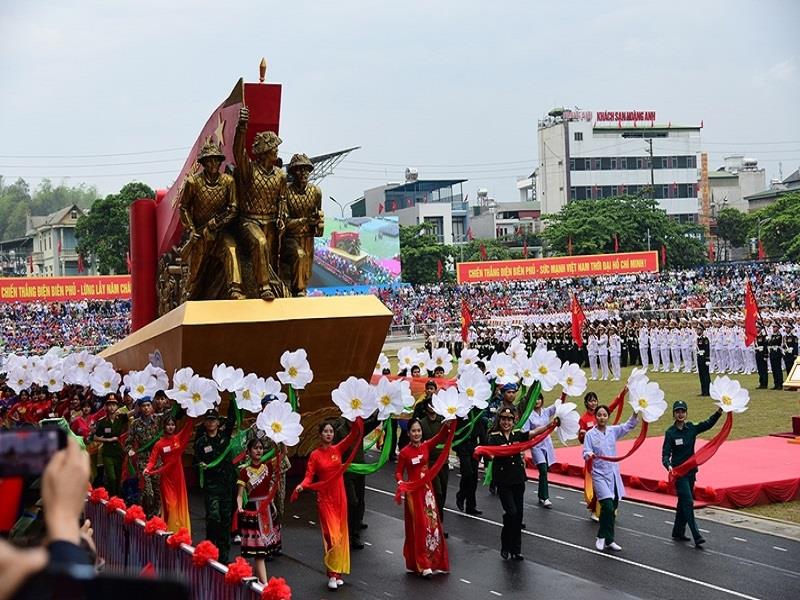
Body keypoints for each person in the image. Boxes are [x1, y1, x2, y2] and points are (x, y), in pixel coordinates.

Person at [295, 420, 361, 591]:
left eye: (331, 431)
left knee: (340, 536)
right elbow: (309, 476)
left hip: (340, 498)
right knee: (331, 535)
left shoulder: (337, 449)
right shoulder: (315, 455)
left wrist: (356, 417)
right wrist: (303, 484)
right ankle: (332, 573)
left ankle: (337, 573)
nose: (329, 434)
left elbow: (353, 435)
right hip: (325, 499)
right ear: (320, 434)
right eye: (325, 431)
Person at [487, 406, 553, 560]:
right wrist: (488, 455)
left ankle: (516, 549)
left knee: (519, 515)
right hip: (503, 481)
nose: (506, 422)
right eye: (503, 419)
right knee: (511, 512)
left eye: (509, 419)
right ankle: (505, 544)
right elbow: (489, 452)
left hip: (518, 479)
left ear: (514, 420)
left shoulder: (517, 434)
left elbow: (534, 433)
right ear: (499, 420)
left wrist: (550, 426)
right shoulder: (494, 437)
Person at [662, 401, 722, 548]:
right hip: (679, 474)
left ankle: (678, 531)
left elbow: (708, 424)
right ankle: (697, 535)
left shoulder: (691, 428)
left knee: (683, 502)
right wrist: (668, 466)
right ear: (674, 414)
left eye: (683, 411)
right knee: (688, 502)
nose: (680, 414)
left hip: (690, 472)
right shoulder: (670, 433)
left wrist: (719, 412)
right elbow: (665, 454)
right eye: (677, 411)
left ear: (686, 413)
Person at [395, 417, 450, 576]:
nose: (417, 433)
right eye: (413, 431)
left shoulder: (426, 446)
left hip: (427, 492)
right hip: (414, 494)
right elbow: (398, 471)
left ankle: (435, 561)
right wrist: (400, 482)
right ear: (408, 433)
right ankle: (422, 562)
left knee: (432, 526)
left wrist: (448, 424)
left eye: (419, 430)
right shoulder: (405, 452)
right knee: (419, 527)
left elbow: (440, 436)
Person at [582, 405, 640, 551]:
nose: (602, 417)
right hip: (599, 474)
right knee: (606, 506)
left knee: (613, 507)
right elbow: (586, 451)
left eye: (605, 415)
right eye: (599, 415)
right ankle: (601, 536)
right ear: (595, 417)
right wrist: (589, 454)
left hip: (613, 474)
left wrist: (635, 412)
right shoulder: (590, 434)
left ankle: (610, 539)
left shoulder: (613, 431)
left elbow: (628, 426)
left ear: (608, 417)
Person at [193, 408, 237, 563]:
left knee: (226, 521)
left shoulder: (224, 437)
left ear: (218, 422)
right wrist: (201, 465)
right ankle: (210, 551)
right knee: (213, 518)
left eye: (214, 420)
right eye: (208, 420)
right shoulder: (200, 442)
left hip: (227, 485)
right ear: (205, 422)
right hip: (212, 486)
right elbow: (195, 462)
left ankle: (224, 557)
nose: (211, 422)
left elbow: (232, 418)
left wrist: (232, 394)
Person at [236, 438, 282, 584]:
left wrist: (280, 441)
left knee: (261, 550)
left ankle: (259, 581)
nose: (258, 451)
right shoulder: (244, 471)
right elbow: (239, 494)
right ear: (249, 452)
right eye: (255, 448)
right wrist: (239, 507)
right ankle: (265, 584)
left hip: (266, 509)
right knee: (260, 552)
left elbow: (283, 455)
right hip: (253, 511)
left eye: (261, 448)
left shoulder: (268, 466)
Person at [334, 413, 379, 550]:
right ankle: (346, 532)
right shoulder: (340, 431)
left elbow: (374, 422)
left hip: (360, 470)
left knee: (359, 501)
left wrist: (382, 409)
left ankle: (354, 533)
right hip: (347, 471)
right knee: (352, 501)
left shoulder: (360, 427)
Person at [144, 415, 193, 533]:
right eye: (168, 425)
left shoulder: (178, 438)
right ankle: (170, 529)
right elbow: (152, 460)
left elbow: (188, 428)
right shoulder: (159, 444)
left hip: (178, 477)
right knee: (169, 504)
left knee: (179, 503)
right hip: (166, 477)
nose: (170, 427)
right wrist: (147, 468)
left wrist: (192, 413)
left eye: (172, 425)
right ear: (164, 426)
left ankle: (179, 529)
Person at [124, 397, 162, 518]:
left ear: (152, 407)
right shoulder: (135, 424)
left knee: (157, 490)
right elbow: (128, 442)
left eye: (148, 405)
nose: (146, 408)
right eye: (143, 406)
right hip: (143, 460)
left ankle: (156, 516)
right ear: (140, 408)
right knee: (148, 490)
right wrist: (129, 450)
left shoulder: (158, 420)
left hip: (157, 460)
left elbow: (173, 416)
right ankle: (147, 514)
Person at [521, 391, 556, 508]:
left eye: (539, 399)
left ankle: (541, 495)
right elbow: (527, 433)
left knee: (545, 471)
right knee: (543, 469)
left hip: (547, 444)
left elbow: (558, 406)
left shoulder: (546, 412)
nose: (537, 401)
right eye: (535, 399)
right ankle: (545, 497)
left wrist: (566, 389)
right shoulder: (528, 415)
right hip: (536, 445)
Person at [419, 398, 448, 524]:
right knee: (437, 493)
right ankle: (434, 523)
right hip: (430, 464)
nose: (431, 407)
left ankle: (439, 522)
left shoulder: (442, 421)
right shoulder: (422, 423)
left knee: (443, 493)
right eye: (429, 405)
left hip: (443, 462)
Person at [454, 404, 486, 516]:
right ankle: (461, 495)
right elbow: (454, 434)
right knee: (467, 473)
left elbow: (483, 436)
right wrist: (456, 447)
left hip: (474, 449)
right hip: (462, 447)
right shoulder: (459, 416)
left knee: (474, 477)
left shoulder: (477, 417)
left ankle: (471, 506)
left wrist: (485, 456)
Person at [92, 394, 127, 496]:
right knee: (111, 477)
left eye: (114, 405)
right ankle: (113, 496)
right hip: (107, 453)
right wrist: (108, 439)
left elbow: (133, 412)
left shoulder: (120, 418)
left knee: (119, 477)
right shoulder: (102, 422)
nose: (111, 407)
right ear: (106, 407)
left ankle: (118, 497)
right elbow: (95, 437)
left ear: (117, 407)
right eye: (109, 405)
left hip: (119, 452)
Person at [696, 326, 711, 396]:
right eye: (697, 330)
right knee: (701, 375)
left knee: (705, 375)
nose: (697, 331)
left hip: (704, 358)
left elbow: (707, 349)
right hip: (699, 358)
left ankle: (707, 391)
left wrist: (707, 359)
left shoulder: (705, 339)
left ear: (702, 331)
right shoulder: (698, 339)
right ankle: (703, 391)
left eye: (699, 330)